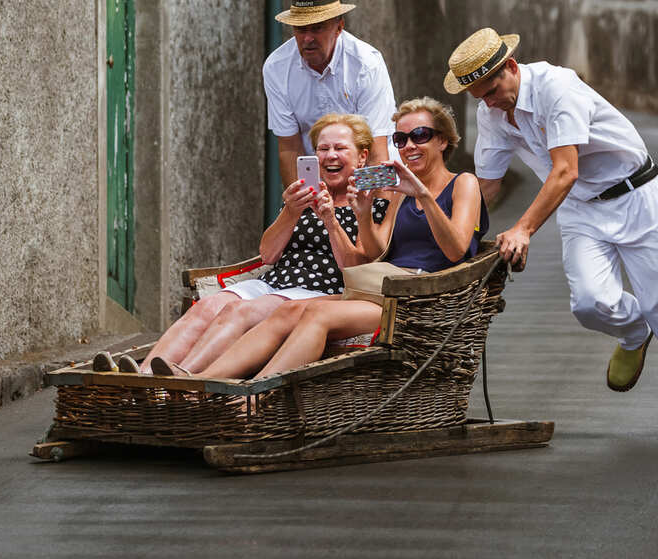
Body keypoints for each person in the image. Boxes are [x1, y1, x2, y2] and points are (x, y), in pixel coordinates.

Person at [443, 27, 658, 436]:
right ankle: (634, 331)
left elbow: (565, 170)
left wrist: (523, 229)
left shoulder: (557, 88)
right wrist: (446, 223)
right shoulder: (492, 112)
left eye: (492, 89)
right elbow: (487, 186)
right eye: (479, 96)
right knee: (589, 303)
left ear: (511, 67)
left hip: (635, 195)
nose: (490, 101)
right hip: (582, 210)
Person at [199, 98, 487, 380]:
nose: (409, 146)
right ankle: (204, 382)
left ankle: (255, 397)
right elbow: (375, 254)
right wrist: (362, 214)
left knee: (317, 316)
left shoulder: (463, 183)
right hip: (381, 288)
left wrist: (423, 194)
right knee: (289, 310)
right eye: (400, 139)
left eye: (420, 135)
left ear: (443, 141)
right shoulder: (400, 194)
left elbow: (456, 249)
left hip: (420, 297)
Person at [117, 114, 391, 375]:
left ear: (362, 156)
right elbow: (268, 254)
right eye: (323, 148)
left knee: (241, 311)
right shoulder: (302, 199)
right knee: (207, 306)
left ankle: (184, 375)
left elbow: (353, 269)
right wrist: (291, 212)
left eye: (340, 148)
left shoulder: (370, 207)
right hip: (274, 281)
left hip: (319, 290)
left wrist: (330, 220)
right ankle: (145, 375)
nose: (330, 156)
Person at [264, 0, 397, 188]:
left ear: (339, 27)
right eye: (300, 29)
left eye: (317, 28)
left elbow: (377, 151)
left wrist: (374, 215)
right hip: (317, 181)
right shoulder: (276, 67)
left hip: (369, 179)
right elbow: (289, 148)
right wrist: (305, 210)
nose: (308, 38)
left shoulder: (367, 64)